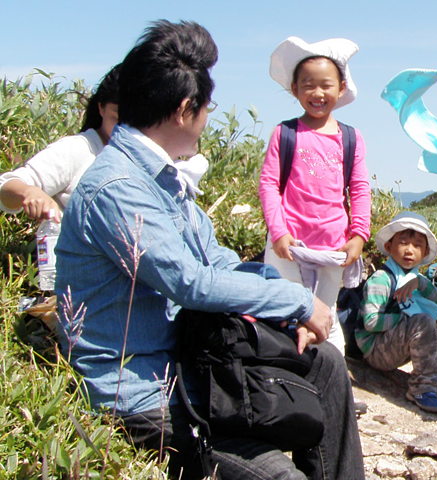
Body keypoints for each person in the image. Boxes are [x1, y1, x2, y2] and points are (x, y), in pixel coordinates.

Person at [54, 20, 363, 480]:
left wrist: (287, 311)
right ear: (184, 110)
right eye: (207, 107)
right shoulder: (118, 187)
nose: (207, 118)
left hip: (192, 365)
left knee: (326, 365)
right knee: (279, 476)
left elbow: (216, 259)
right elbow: (190, 281)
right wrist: (300, 301)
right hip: (145, 394)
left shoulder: (162, 178)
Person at [259, 37, 371, 356]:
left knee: (325, 317)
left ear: (341, 88)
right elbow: (268, 184)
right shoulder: (285, 133)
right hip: (288, 245)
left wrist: (359, 235)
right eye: (308, 85)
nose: (317, 93)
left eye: (326, 85)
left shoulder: (350, 138)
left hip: (333, 246)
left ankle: (336, 390)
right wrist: (278, 233)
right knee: (286, 314)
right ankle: (288, 384)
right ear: (294, 88)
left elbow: (360, 188)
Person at [0, 65, 209, 221]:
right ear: (100, 108)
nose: (125, 130)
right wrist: (30, 192)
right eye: (117, 119)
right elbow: (6, 186)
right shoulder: (79, 149)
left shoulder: (149, 159)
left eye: (134, 122)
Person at [356, 212, 437, 413]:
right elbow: (371, 322)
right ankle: (422, 387)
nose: (409, 250)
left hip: (401, 339)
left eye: (417, 245)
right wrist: (405, 319)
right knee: (422, 321)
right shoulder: (382, 279)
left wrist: (421, 284)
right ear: (389, 247)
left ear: (425, 252)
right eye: (403, 243)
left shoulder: (416, 278)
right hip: (376, 348)